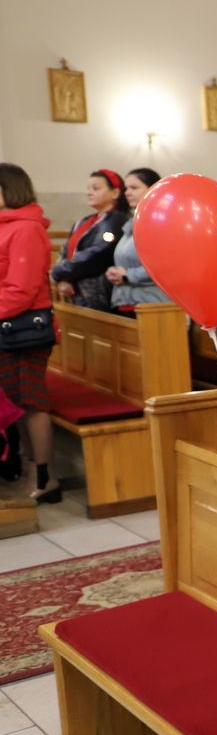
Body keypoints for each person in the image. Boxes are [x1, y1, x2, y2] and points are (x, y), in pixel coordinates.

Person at [0, 164, 60, 502]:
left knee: (32, 403)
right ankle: (29, 468)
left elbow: (22, 289)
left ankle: (46, 479)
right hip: (8, 326)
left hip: (25, 330)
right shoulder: (7, 225)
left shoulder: (25, 229)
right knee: (17, 403)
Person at [52, 170, 131, 313]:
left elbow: (97, 255)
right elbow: (66, 250)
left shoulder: (116, 221)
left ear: (115, 193)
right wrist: (65, 279)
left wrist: (59, 272)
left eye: (96, 188)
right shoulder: (85, 221)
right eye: (88, 188)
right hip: (79, 292)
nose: (89, 192)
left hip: (100, 294)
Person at [105, 168, 172, 315]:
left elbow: (165, 265)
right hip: (128, 302)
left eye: (134, 188)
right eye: (126, 188)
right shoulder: (134, 223)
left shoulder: (163, 223)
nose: (127, 192)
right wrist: (115, 272)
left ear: (152, 190)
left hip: (154, 306)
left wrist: (128, 275)